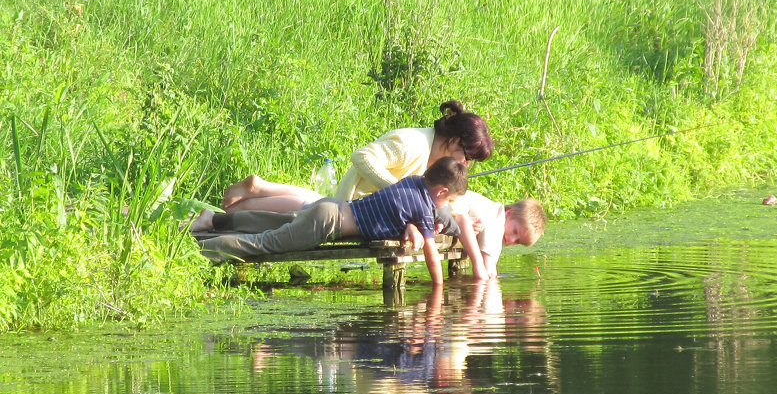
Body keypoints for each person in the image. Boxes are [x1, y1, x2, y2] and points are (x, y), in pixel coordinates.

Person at [191, 158, 468, 285]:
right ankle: (197, 255)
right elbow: (432, 257)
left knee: (274, 222)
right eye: (448, 201)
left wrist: (411, 226)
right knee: (266, 243)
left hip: (333, 205)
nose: (444, 206)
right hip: (329, 223)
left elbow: (398, 211)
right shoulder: (424, 205)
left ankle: (211, 221)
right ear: (441, 191)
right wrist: (439, 290)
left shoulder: (412, 182)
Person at [220, 100, 493, 213]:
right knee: (305, 212)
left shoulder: (436, 156)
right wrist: (402, 190)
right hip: (350, 204)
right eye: (468, 157)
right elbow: (362, 156)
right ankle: (232, 209)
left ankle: (258, 188)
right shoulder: (413, 145)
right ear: (455, 140)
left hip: (358, 205)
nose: (466, 165)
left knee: (313, 203)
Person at [449, 191, 547, 280]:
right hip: (447, 204)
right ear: (508, 213)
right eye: (515, 231)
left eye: (517, 241)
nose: (511, 239)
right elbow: (488, 269)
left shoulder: (493, 211)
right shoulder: (496, 221)